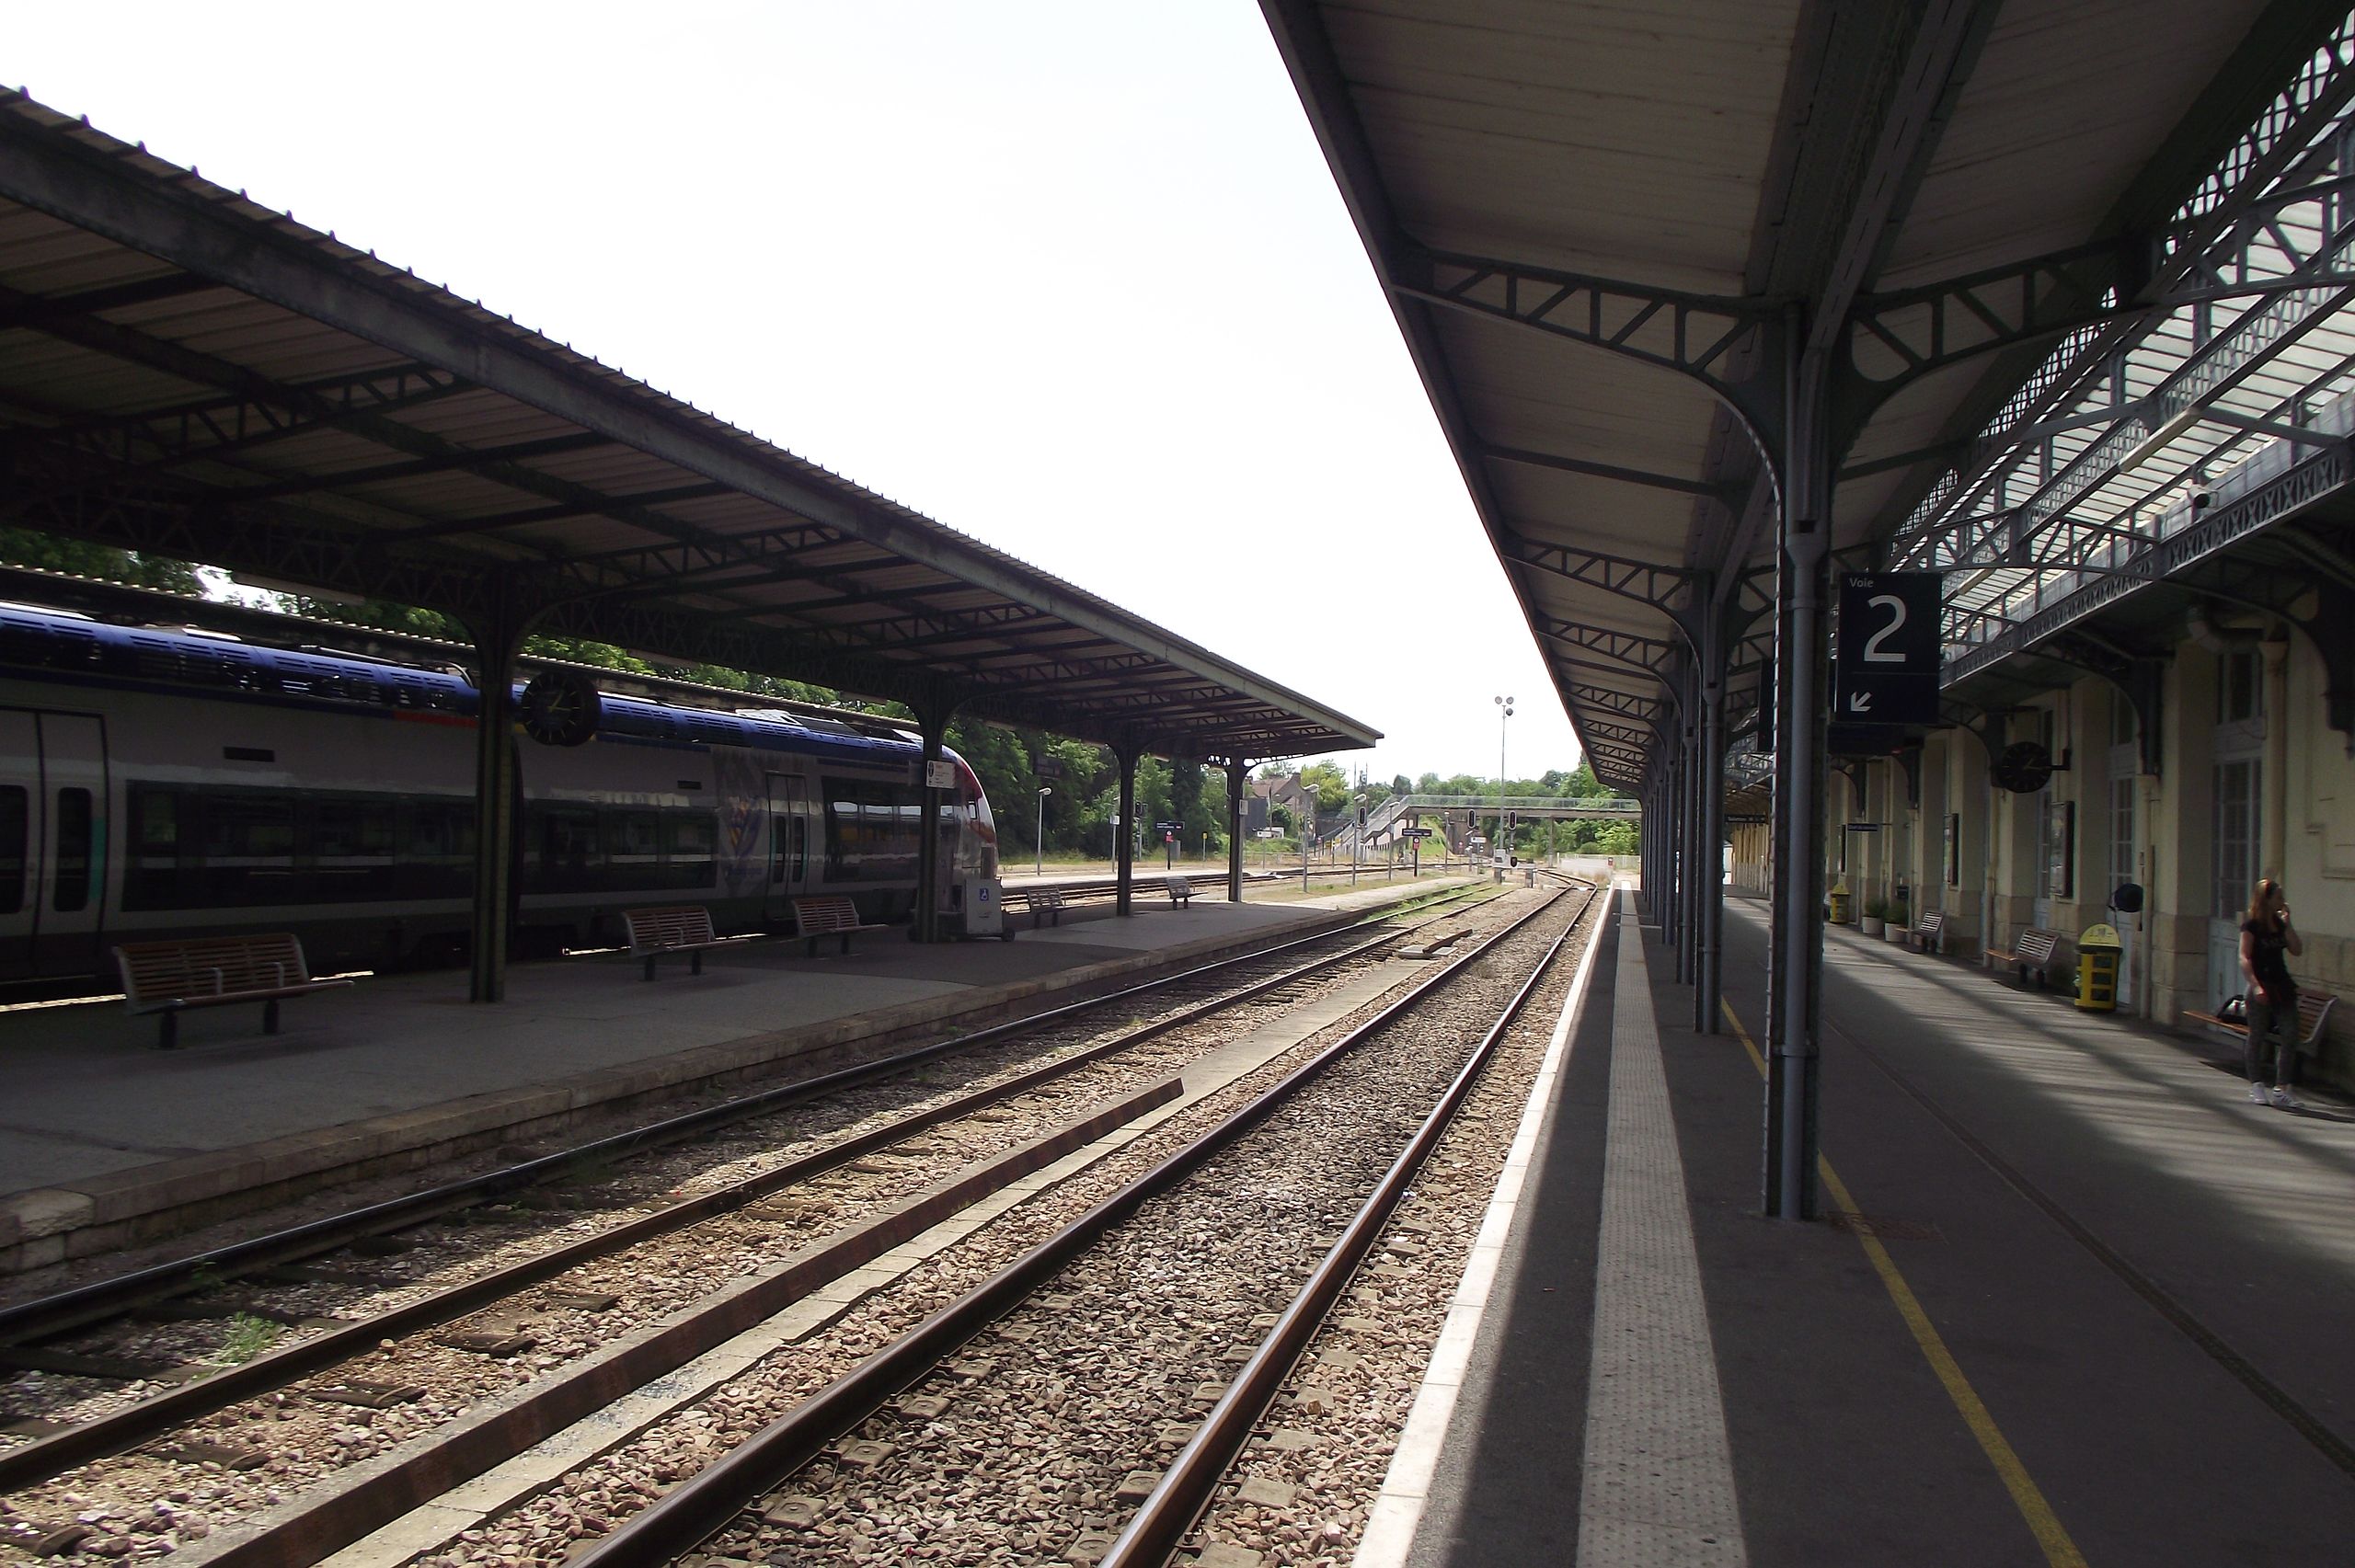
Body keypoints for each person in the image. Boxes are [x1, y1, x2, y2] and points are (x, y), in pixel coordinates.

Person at [2239, 876, 2304, 1109]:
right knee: (2256, 1035)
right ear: (2266, 899)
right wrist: (2256, 985)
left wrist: (2289, 924)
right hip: (2260, 984)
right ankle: (2256, 1084)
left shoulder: (2279, 924)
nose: (2283, 901)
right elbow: (2244, 957)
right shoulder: (2252, 926)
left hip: (2282, 984)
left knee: (2290, 1034)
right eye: (2279, 896)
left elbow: (2297, 950)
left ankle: (2282, 1088)